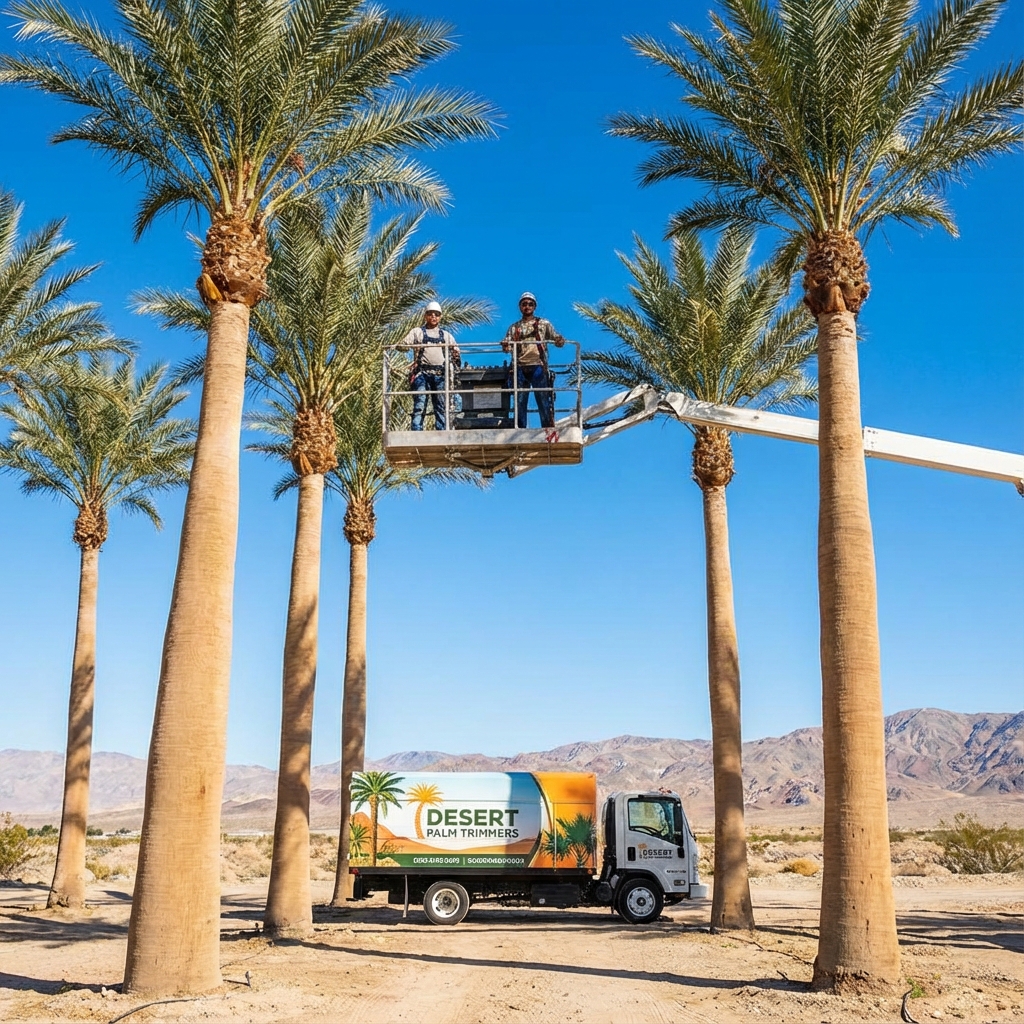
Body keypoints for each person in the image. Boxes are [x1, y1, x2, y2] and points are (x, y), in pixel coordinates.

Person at [502, 292, 565, 428]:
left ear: (534, 306)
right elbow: (506, 347)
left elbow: (556, 339)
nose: (527, 307)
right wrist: (505, 345)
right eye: (524, 304)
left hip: (538, 365)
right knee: (520, 401)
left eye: (530, 304)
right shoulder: (514, 328)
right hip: (520, 367)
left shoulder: (543, 324)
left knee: (543, 399)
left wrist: (559, 340)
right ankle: (521, 429)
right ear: (520, 307)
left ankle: (547, 428)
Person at [401, 301, 459, 430]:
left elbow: (456, 350)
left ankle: (442, 432)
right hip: (422, 374)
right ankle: (416, 431)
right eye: (430, 314)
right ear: (425, 316)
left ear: (440, 317)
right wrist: (401, 346)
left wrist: (455, 355)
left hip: (439, 375)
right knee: (420, 404)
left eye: (436, 314)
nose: (433, 316)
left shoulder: (446, 335)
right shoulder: (417, 332)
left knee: (441, 405)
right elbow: (404, 343)